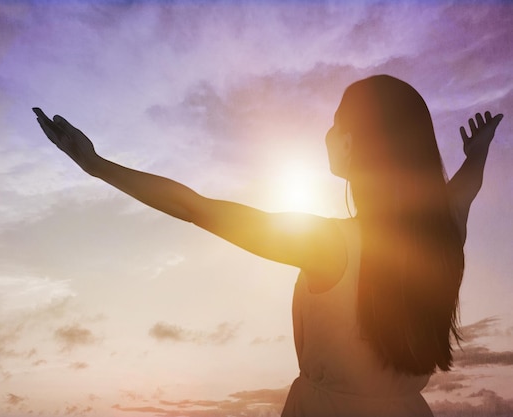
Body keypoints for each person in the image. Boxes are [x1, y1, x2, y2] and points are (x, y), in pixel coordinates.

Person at [33, 75, 503, 417]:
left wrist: (96, 165)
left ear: (357, 143)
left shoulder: (328, 245)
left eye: (337, 122)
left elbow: (197, 208)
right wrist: (478, 149)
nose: (328, 132)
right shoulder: (445, 232)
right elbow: (467, 184)